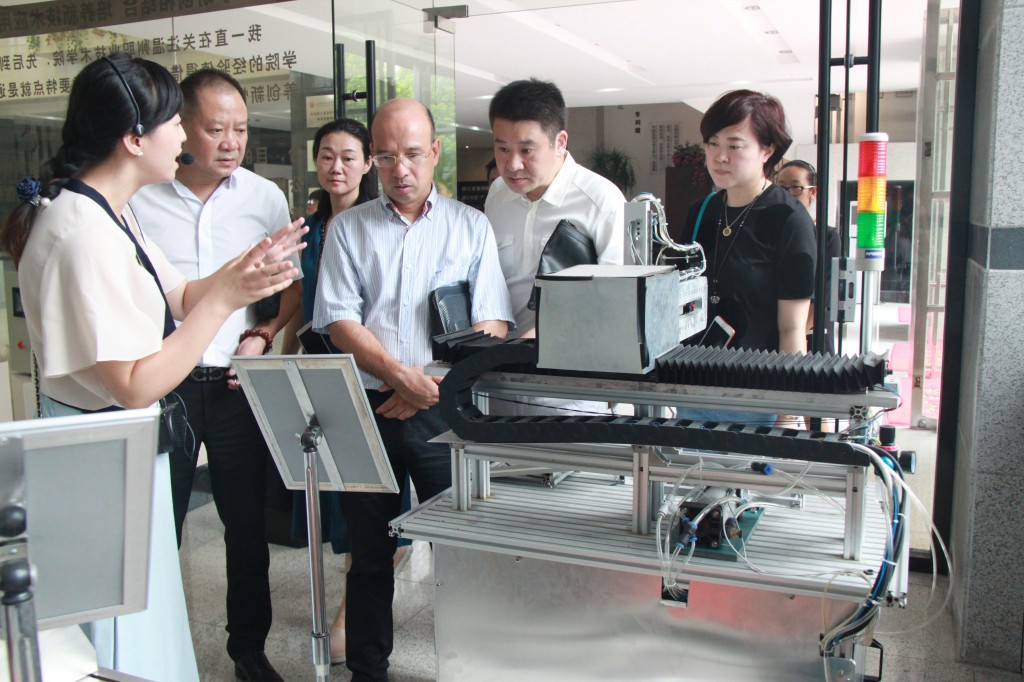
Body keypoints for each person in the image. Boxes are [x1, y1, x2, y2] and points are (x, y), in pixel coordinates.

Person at [0, 54, 302, 682]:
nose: (185, 137)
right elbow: (135, 384)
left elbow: (180, 295)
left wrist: (241, 275)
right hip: (101, 452)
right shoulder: (81, 233)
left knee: (147, 611)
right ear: (134, 138)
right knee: (120, 634)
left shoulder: (112, 211)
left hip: (124, 445)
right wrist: (224, 300)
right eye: (176, 122)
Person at [313, 97, 514, 682]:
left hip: (442, 413)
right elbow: (338, 319)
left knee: (461, 550)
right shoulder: (348, 229)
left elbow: (492, 322)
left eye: (412, 154)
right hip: (367, 409)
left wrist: (427, 383)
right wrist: (396, 374)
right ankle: (367, 670)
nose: (399, 169)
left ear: (435, 153)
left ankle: (470, 667)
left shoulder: (470, 226)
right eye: (385, 156)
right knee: (369, 554)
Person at [130, 68, 302, 682]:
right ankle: (150, 653)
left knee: (246, 528)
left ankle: (247, 652)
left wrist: (264, 333)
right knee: (158, 526)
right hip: (163, 385)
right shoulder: (139, 198)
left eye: (242, 129)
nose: (232, 142)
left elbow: (288, 289)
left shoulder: (264, 198)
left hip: (236, 386)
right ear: (181, 127)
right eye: (216, 129)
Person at [277, 117, 411, 665]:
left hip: (371, 374)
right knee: (336, 499)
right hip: (320, 373)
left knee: (371, 501)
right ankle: (353, 605)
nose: (337, 167)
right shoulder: (309, 227)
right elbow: (299, 298)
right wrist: (279, 347)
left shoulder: (380, 221)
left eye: (349, 156)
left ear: (369, 162)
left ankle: (351, 616)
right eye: (327, 156)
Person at [484, 77, 625, 415]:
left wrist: (540, 336)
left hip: (572, 390)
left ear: (560, 142)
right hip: (499, 381)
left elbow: (615, 300)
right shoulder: (497, 195)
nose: (512, 164)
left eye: (526, 150)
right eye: (502, 149)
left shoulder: (601, 201)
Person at [681, 90, 816, 424]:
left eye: (734, 146)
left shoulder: (789, 220)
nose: (719, 157)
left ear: (767, 150)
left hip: (756, 395)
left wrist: (789, 414)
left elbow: (792, 328)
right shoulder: (701, 211)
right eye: (712, 143)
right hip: (693, 386)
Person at [776, 159, 841, 354]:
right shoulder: (772, 233)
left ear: (813, 192)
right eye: (781, 188)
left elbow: (823, 297)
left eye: (796, 188)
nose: (788, 194)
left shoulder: (827, 236)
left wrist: (791, 336)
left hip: (810, 336)